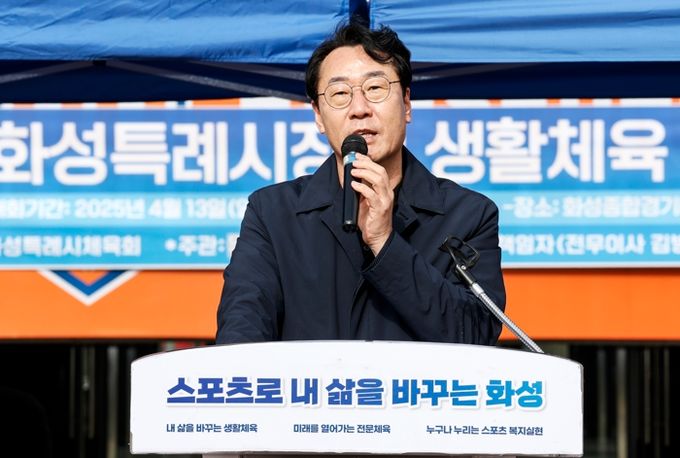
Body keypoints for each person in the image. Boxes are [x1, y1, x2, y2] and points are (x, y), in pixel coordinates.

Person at [216, 21, 505, 345]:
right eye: (340, 93)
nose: (359, 109)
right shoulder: (272, 213)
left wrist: (385, 243)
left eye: (375, 88)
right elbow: (240, 334)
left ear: (406, 103)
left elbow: (476, 335)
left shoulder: (468, 214)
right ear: (318, 115)